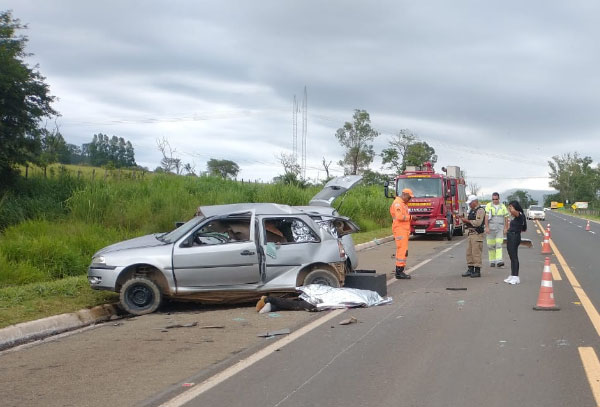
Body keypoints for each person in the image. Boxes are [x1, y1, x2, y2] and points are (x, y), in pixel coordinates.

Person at [459, 195, 486, 278]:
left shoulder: (480, 210)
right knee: (469, 253)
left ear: (475, 202)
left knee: (476, 253)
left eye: (470, 203)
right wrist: (463, 219)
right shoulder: (472, 211)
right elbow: (469, 221)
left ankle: (477, 270)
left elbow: (478, 223)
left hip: (477, 234)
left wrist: (466, 220)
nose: (469, 205)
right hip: (471, 233)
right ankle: (470, 269)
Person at [390, 188, 413, 279]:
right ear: (404, 195)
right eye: (409, 197)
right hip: (400, 229)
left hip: (403, 229)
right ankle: (399, 271)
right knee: (402, 250)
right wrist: (411, 217)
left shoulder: (402, 203)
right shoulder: (398, 203)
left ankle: (400, 270)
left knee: (403, 250)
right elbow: (399, 217)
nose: (410, 199)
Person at [484, 192, 509, 268]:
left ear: (499, 199)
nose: (494, 200)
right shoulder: (489, 206)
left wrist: (506, 228)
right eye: (493, 199)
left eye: (496, 199)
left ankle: (499, 261)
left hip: (500, 228)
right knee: (490, 245)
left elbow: (506, 217)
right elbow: (486, 217)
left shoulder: (503, 206)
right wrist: (487, 227)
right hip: (491, 228)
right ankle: (492, 261)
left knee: (498, 244)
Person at [505, 200, 527, 285]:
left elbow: (514, 211)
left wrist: (511, 208)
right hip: (510, 236)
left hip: (515, 236)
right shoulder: (514, 216)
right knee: (511, 256)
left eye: (511, 207)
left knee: (514, 257)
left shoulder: (520, 214)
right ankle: (512, 274)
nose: (510, 209)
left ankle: (516, 276)